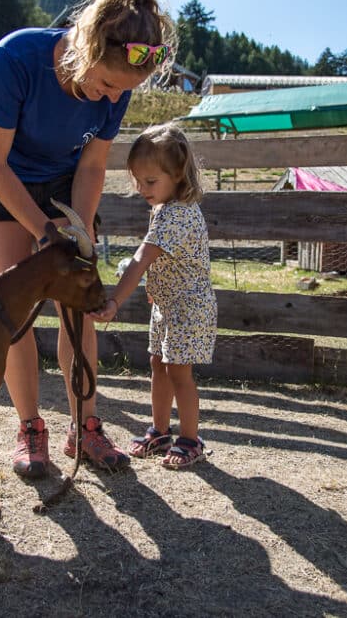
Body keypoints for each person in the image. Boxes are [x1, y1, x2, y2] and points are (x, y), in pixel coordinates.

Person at [0, 0, 176, 478]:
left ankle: (85, 426)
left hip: (63, 179)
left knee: (77, 305)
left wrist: (79, 235)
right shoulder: (15, 58)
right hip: (2, 179)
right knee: (14, 309)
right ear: (86, 46)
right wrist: (42, 232)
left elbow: (92, 168)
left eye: (123, 91)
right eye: (106, 85)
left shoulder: (116, 89)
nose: (112, 98)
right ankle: (29, 428)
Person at [90, 123, 217, 469]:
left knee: (179, 373)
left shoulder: (177, 215)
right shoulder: (165, 209)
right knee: (157, 365)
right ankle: (160, 431)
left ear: (177, 175)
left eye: (150, 181)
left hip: (187, 308)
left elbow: (143, 258)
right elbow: (161, 261)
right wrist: (154, 289)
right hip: (166, 304)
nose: (142, 189)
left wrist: (115, 300)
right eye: (138, 180)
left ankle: (191, 439)